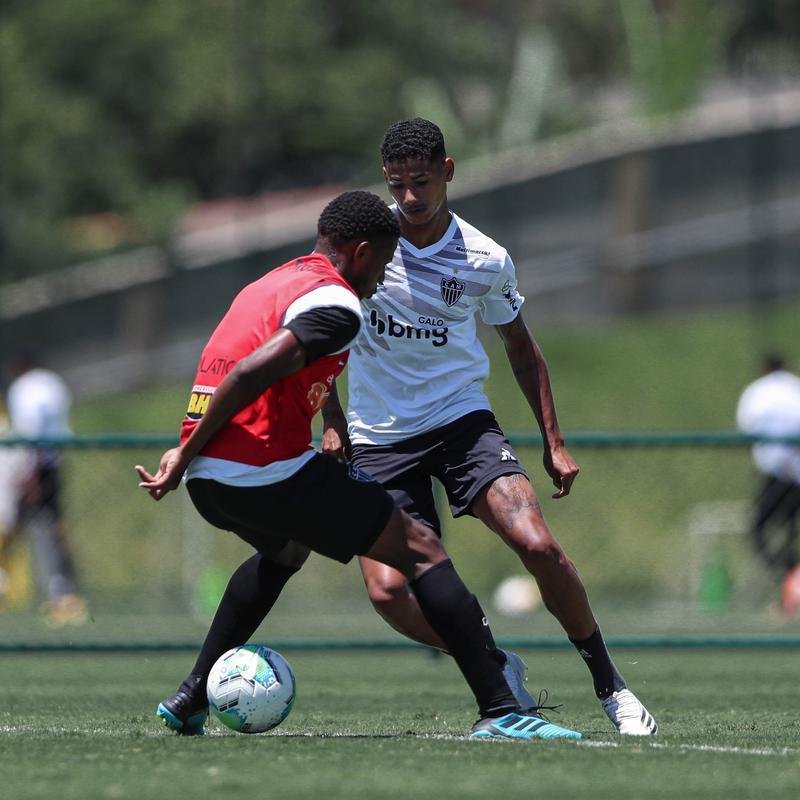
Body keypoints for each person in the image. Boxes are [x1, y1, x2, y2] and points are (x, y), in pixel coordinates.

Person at [136, 190, 582, 741]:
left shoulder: (277, 281)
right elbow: (253, 371)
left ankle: (191, 694)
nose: (383, 279)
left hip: (213, 482)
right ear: (364, 252)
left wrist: (197, 448)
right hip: (263, 470)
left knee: (285, 550)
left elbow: (274, 355)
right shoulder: (340, 305)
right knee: (420, 547)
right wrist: (183, 452)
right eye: (386, 262)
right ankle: (501, 708)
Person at [321, 119, 657, 736]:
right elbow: (320, 335)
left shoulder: (484, 257)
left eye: (421, 182)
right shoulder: (365, 248)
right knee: (389, 593)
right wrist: (333, 419)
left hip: (461, 424)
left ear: (448, 171)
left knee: (537, 543)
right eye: (397, 185)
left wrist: (553, 442)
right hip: (378, 437)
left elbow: (522, 349)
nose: (410, 198)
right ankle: (494, 664)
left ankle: (611, 685)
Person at [4, 352, 88, 626]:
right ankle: (63, 592)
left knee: (32, 528)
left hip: (32, 466)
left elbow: (32, 428)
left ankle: (61, 595)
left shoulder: (23, 388)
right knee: (43, 528)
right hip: (52, 463)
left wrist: (29, 472)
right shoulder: (52, 382)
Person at [736, 353, 800, 616]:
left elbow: (747, 425)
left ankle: (789, 576)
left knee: (759, 529)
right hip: (794, 473)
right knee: (789, 531)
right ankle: (791, 582)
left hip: (778, 474)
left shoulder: (757, 392)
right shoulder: (794, 387)